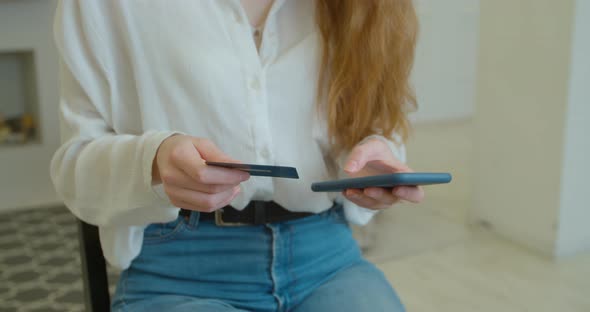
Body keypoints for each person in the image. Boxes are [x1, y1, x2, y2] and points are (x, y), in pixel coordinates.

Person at [51, 1, 423, 311]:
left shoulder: (368, 8)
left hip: (326, 254)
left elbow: (374, 126)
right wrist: (152, 161)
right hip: (180, 271)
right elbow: (75, 170)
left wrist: (373, 157)